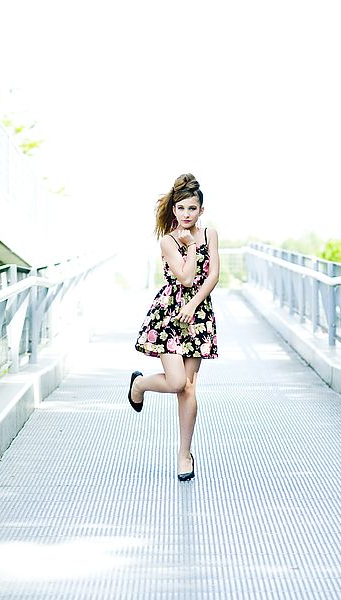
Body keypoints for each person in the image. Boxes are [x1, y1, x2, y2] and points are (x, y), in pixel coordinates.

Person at [128, 173, 219, 482]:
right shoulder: (169, 240)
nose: (186, 215)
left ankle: (184, 454)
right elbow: (185, 278)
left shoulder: (211, 234)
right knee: (177, 381)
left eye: (192, 209)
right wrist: (191, 246)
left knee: (190, 388)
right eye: (180, 209)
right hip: (169, 315)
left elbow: (213, 275)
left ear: (201, 210)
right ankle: (139, 385)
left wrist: (195, 306)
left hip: (198, 317)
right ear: (174, 210)